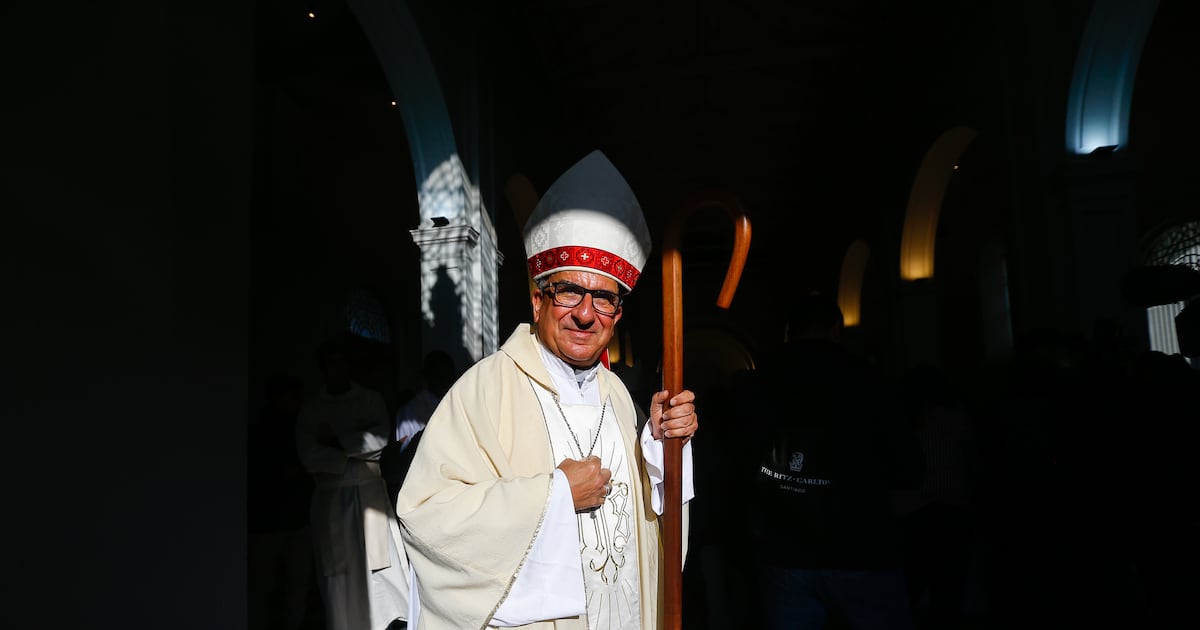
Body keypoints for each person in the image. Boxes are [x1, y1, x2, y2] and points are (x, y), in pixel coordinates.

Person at [394, 150, 700, 630]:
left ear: (618, 315)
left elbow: (645, 529)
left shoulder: (620, 397)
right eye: (569, 291)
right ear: (538, 299)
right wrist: (554, 496)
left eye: (604, 297)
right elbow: (426, 516)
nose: (585, 312)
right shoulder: (485, 388)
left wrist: (661, 449)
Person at [739, 292, 924, 630]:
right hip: (861, 545)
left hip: (785, 547)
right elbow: (907, 464)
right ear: (836, 329)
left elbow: (739, 458)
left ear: (788, 331)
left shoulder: (760, 381)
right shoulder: (867, 379)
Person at [295, 341, 409, 630]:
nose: (338, 370)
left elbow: (379, 441)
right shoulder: (313, 409)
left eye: (342, 363)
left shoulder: (369, 400)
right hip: (332, 500)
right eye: (331, 365)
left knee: (380, 574)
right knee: (339, 580)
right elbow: (309, 455)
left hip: (369, 495)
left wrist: (336, 441)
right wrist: (354, 446)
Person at [248, 374, 315, 630]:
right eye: (291, 396)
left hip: (295, 519)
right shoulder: (261, 430)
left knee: (295, 584)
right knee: (265, 586)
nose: (296, 401)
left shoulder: (302, 426)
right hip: (269, 522)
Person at [393, 350, 457, 450]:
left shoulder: (457, 404)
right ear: (427, 375)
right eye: (439, 373)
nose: (445, 379)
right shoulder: (410, 412)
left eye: (448, 373)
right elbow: (405, 452)